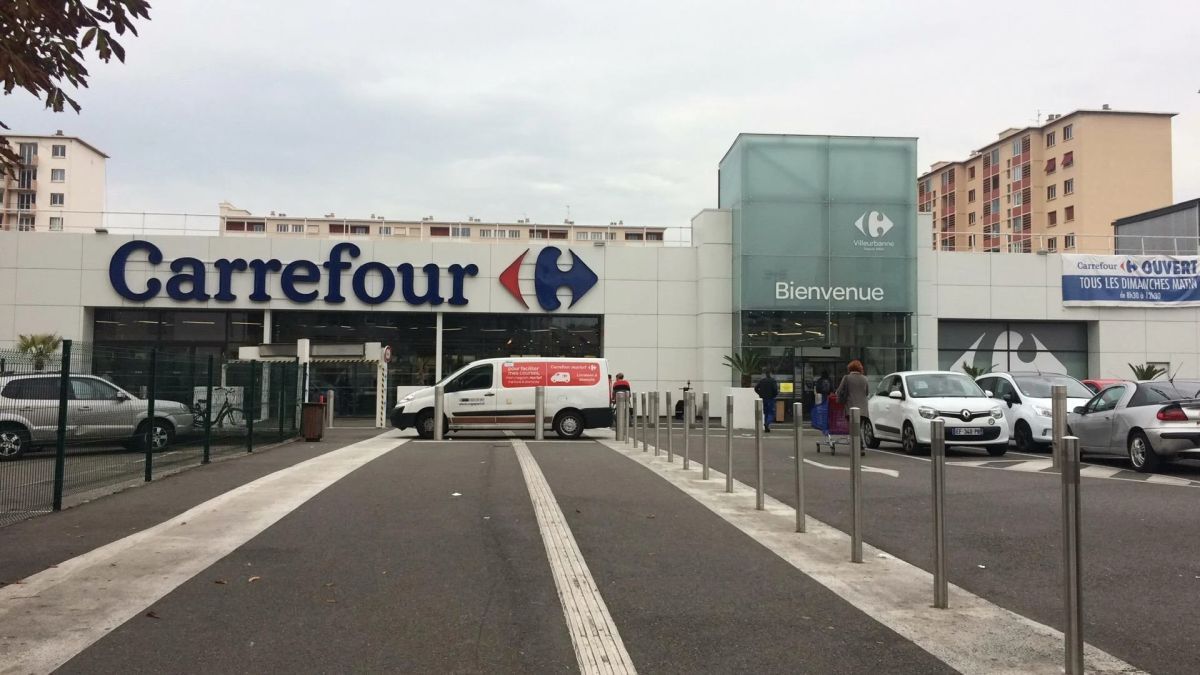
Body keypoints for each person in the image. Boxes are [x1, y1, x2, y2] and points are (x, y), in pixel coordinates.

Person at [834, 360, 870, 454]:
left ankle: (860, 447)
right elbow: (867, 393)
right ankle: (859, 447)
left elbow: (840, 390)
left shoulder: (847, 378)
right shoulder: (865, 379)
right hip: (863, 408)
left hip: (851, 407)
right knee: (858, 428)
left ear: (850, 368)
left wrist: (839, 398)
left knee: (853, 428)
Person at [754, 368, 780, 432]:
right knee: (771, 413)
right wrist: (775, 395)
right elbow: (775, 390)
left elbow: (756, 388)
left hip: (763, 399)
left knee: (766, 413)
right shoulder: (773, 381)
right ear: (770, 374)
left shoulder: (762, 381)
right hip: (770, 399)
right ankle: (767, 423)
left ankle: (766, 428)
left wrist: (760, 394)